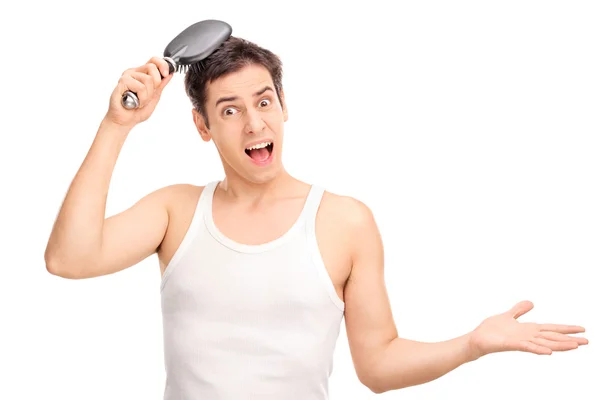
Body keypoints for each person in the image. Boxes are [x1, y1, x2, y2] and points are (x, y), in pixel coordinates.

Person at [44, 36, 588, 399]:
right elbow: (68, 259)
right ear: (202, 126)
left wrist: (470, 344)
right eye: (229, 110)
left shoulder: (343, 222)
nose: (254, 123)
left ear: (283, 105)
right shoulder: (174, 210)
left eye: (263, 102)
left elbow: (377, 366)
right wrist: (117, 125)